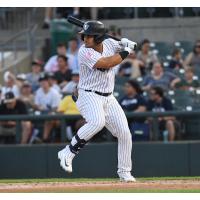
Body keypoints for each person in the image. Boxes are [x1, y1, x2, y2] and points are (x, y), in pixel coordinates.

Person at [57, 20, 137, 182]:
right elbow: (107, 63)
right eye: (84, 35)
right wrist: (127, 50)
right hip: (88, 94)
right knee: (97, 122)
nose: (85, 39)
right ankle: (68, 151)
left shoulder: (109, 43)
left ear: (99, 38)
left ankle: (124, 172)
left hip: (108, 97)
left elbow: (123, 49)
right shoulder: (84, 52)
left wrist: (126, 44)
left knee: (125, 134)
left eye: (89, 36)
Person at [34, 73, 61, 142]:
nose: (43, 82)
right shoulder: (38, 91)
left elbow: (55, 108)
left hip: (54, 114)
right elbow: (36, 105)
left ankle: (44, 139)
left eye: (45, 80)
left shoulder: (54, 92)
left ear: (48, 82)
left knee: (49, 117)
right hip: (41, 113)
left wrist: (46, 110)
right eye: (41, 81)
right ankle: (35, 138)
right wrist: (39, 108)